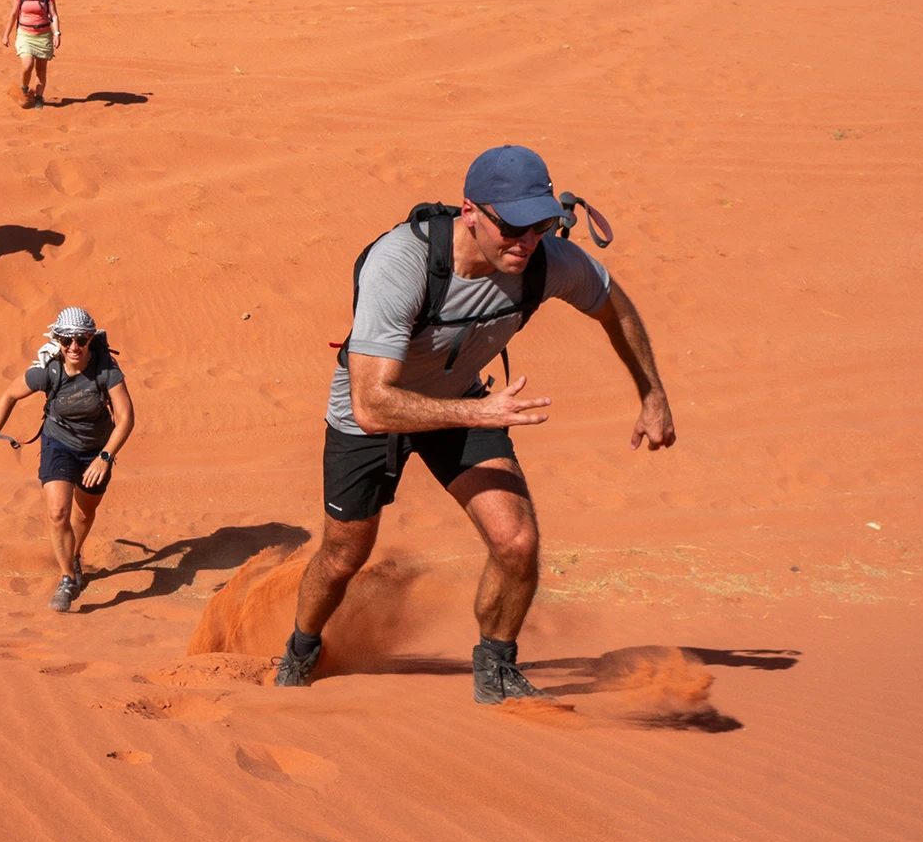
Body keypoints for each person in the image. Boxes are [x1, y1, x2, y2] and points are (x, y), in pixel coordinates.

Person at [276, 145, 676, 702]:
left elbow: (616, 308)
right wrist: (479, 412)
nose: (527, 240)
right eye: (513, 226)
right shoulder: (403, 264)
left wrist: (652, 393)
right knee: (344, 556)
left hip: (463, 404)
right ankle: (301, 648)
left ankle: (497, 670)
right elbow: (372, 404)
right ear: (470, 212)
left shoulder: (548, 262)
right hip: (372, 419)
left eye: (541, 225)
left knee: (517, 541)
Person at [0, 308, 135, 613]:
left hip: (96, 449)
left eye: (81, 339)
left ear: (90, 340)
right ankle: (67, 578)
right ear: (57, 339)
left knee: (84, 515)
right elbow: (8, 395)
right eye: (66, 339)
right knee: (58, 511)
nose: (74, 346)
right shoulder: (48, 371)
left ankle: (73, 555)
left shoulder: (106, 370)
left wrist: (105, 457)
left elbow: (126, 418)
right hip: (58, 443)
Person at [0, 0, 60, 108]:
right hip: (25, 34)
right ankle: (24, 88)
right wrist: (6, 34)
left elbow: (54, 15)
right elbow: (14, 14)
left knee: (41, 70)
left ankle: (38, 97)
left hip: (44, 35)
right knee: (27, 65)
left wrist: (57, 33)